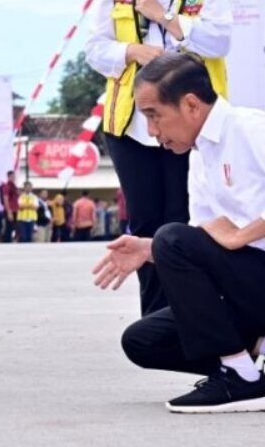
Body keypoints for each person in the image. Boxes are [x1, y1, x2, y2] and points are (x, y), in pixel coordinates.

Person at [93, 52, 265, 413]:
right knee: (142, 341)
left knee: (170, 237)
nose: (153, 132)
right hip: (248, 286)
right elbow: (201, 242)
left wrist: (245, 233)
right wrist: (148, 249)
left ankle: (240, 378)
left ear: (190, 104)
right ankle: (252, 366)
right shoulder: (199, 156)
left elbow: (217, 239)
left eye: (154, 116)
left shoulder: (251, 128)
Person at [85, 0, 232, 314]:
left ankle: (197, 309)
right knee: (145, 223)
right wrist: (132, 51)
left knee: (185, 220)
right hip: (130, 125)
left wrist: (167, 19)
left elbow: (220, 41)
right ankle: (156, 317)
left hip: (190, 127)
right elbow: (95, 50)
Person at [0, 170, 19, 243]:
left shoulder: (14, 186)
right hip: (9, 210)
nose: (14, 178)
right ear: (9, 177)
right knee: (8, 228)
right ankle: (6, 242)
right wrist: (9, 212)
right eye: (13, 176)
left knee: (13, 228)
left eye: (14, 176)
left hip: (15, 210)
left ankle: (10, 241)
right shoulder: (7, 186)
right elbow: (5, 199)